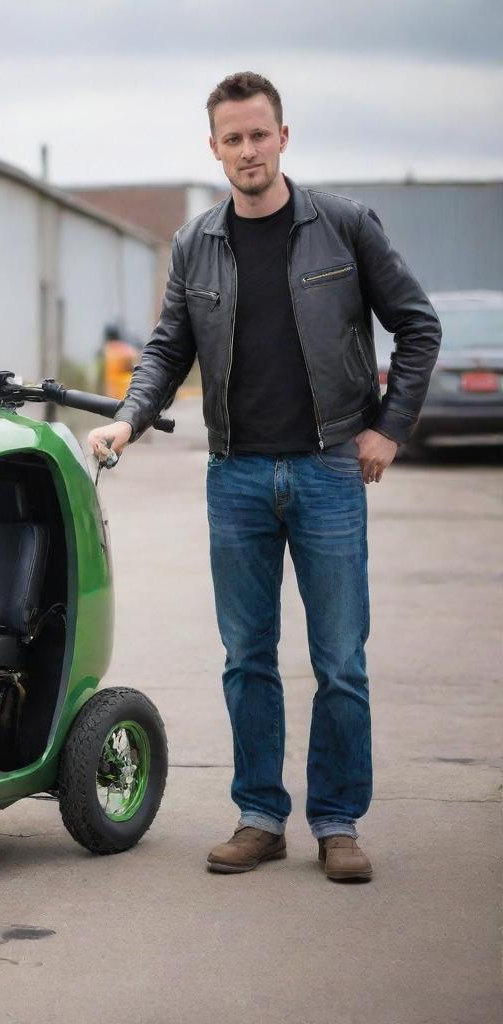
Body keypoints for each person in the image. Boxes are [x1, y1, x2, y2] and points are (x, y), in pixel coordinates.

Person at [88, 71, 440, 882]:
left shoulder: (344, 226)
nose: (247, 150)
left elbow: (417, 327)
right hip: (236, 475)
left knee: (340, 658)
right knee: (247, 655)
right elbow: (168, 347)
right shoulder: (196, 242)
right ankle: (259, 815)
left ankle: (338, 822)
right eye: (232, 138)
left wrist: (390, 428)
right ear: (214, 149)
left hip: (326, 469)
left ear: (284, 137)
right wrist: (129, 417)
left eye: (259, 134)